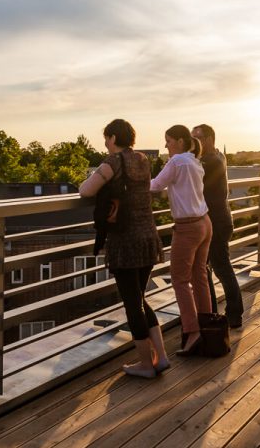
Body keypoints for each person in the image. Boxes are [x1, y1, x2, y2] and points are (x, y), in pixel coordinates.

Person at [79, 119, 168, 378]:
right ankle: (161, 357)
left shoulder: (112, 163)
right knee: (140, 299)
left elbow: (86, 190)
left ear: (114, 138)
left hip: (125, 242)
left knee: (132, 303)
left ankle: (145, 364)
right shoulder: (143, 160)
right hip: (148, 237)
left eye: (106, 139)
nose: (105, 144)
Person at [150, 125, 213, 356]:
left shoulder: (177, 162)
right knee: (199, 276)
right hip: (205, 223)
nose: (165, 145)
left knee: (179, 279)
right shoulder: (194, 161)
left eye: (167, 141)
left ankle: (192, 332)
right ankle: (206, 326)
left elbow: (155, 185)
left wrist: (130, 187)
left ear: (178, 141)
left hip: (188, 228)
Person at [191, 124, 243, 328]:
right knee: (211, 268)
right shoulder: (218, 156)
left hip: (216, 222)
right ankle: (214, 312)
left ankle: (231, 314)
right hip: (218, 219)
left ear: (210, 138)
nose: (194, 143)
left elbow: (190, 178)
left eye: (198, 138)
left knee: (219, 268)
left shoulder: (210, 161)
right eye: (191, 138)